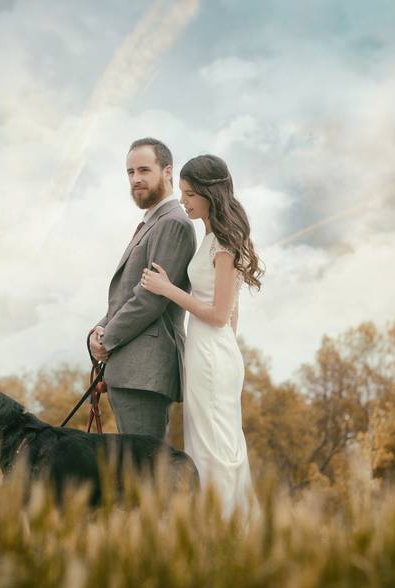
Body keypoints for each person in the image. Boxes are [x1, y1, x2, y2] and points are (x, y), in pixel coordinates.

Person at [140, 153, 264, 518]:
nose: (183, 201)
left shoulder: (223, 245)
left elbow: (219, 314)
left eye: (190, 194)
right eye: (181, 192)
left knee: (214, 446)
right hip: (211, 352)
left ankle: (226, 525)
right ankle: (218, 522)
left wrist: (167, 289)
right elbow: (233, 314)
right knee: (207, 442)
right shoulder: (210, 237)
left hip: (211, 354)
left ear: (210, 194)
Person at [87, 138, 196, 441]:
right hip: (130, 368)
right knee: (134, 474)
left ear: (167, 171)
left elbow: (150, 299)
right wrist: (97, 330)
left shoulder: (173, 223)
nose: (136, 179)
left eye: (144, 170)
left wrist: (107, 338)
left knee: (144, 473)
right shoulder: (152, 222)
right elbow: (126, 294)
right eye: (130, 172)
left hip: (146, 370)